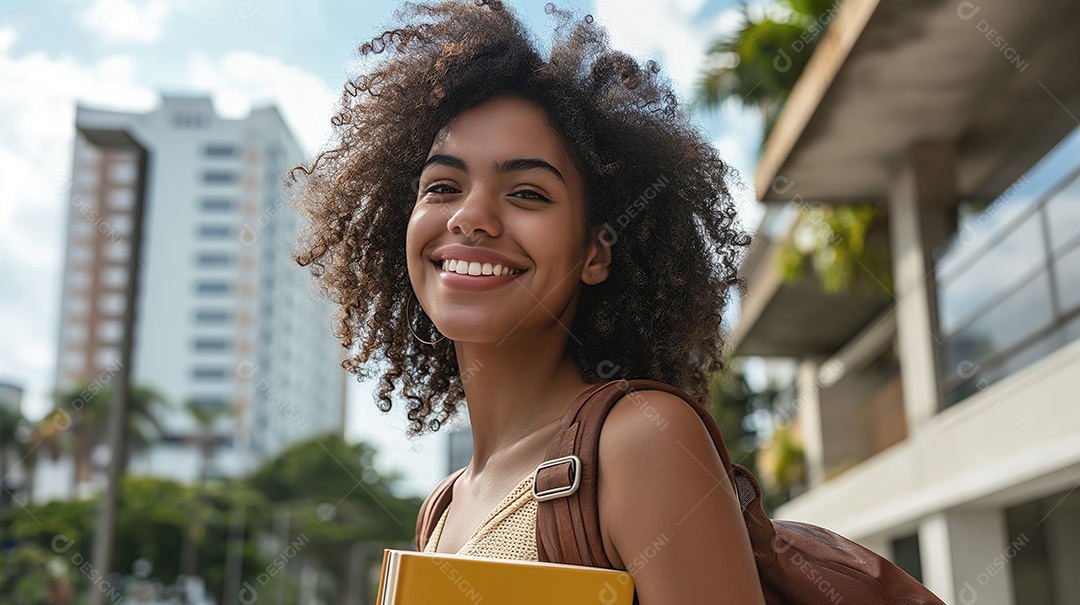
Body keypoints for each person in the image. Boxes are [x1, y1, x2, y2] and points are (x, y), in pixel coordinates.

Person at [290, 1, 765, 602]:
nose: (470, 217)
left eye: (528, 193)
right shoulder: (443, 507)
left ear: (596, 251)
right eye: (443, 186)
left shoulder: (641, 442)